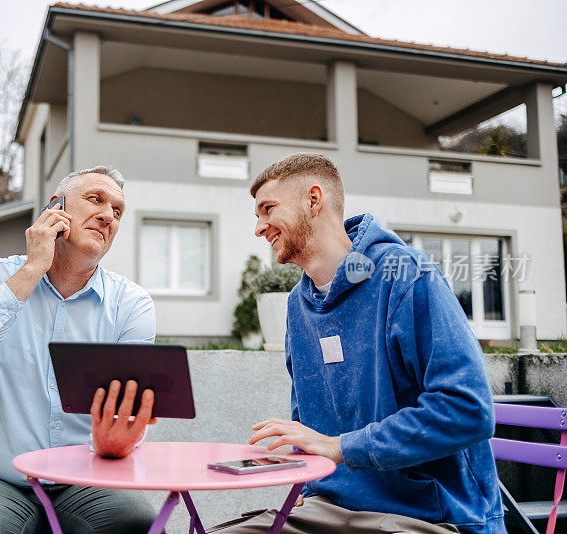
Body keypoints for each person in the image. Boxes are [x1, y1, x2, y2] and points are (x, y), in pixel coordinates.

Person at [214, 153, 505, 534]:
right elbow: (312, 426)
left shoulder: (408, 277)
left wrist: (341, 447)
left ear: (313, 200)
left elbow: (468, 410)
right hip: (328, 508)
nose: (259, 227)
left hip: (427, 515)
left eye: (268, 209)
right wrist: (303, 467)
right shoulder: (297, 308)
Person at [0, 165, 159, 534]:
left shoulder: (131, 304)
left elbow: (127, 411)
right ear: (56, 208)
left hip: (85, 482)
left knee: (139, 524)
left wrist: (118, 439)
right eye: (95, 199)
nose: (107, 215)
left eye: (117, 211)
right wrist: (33, 268)